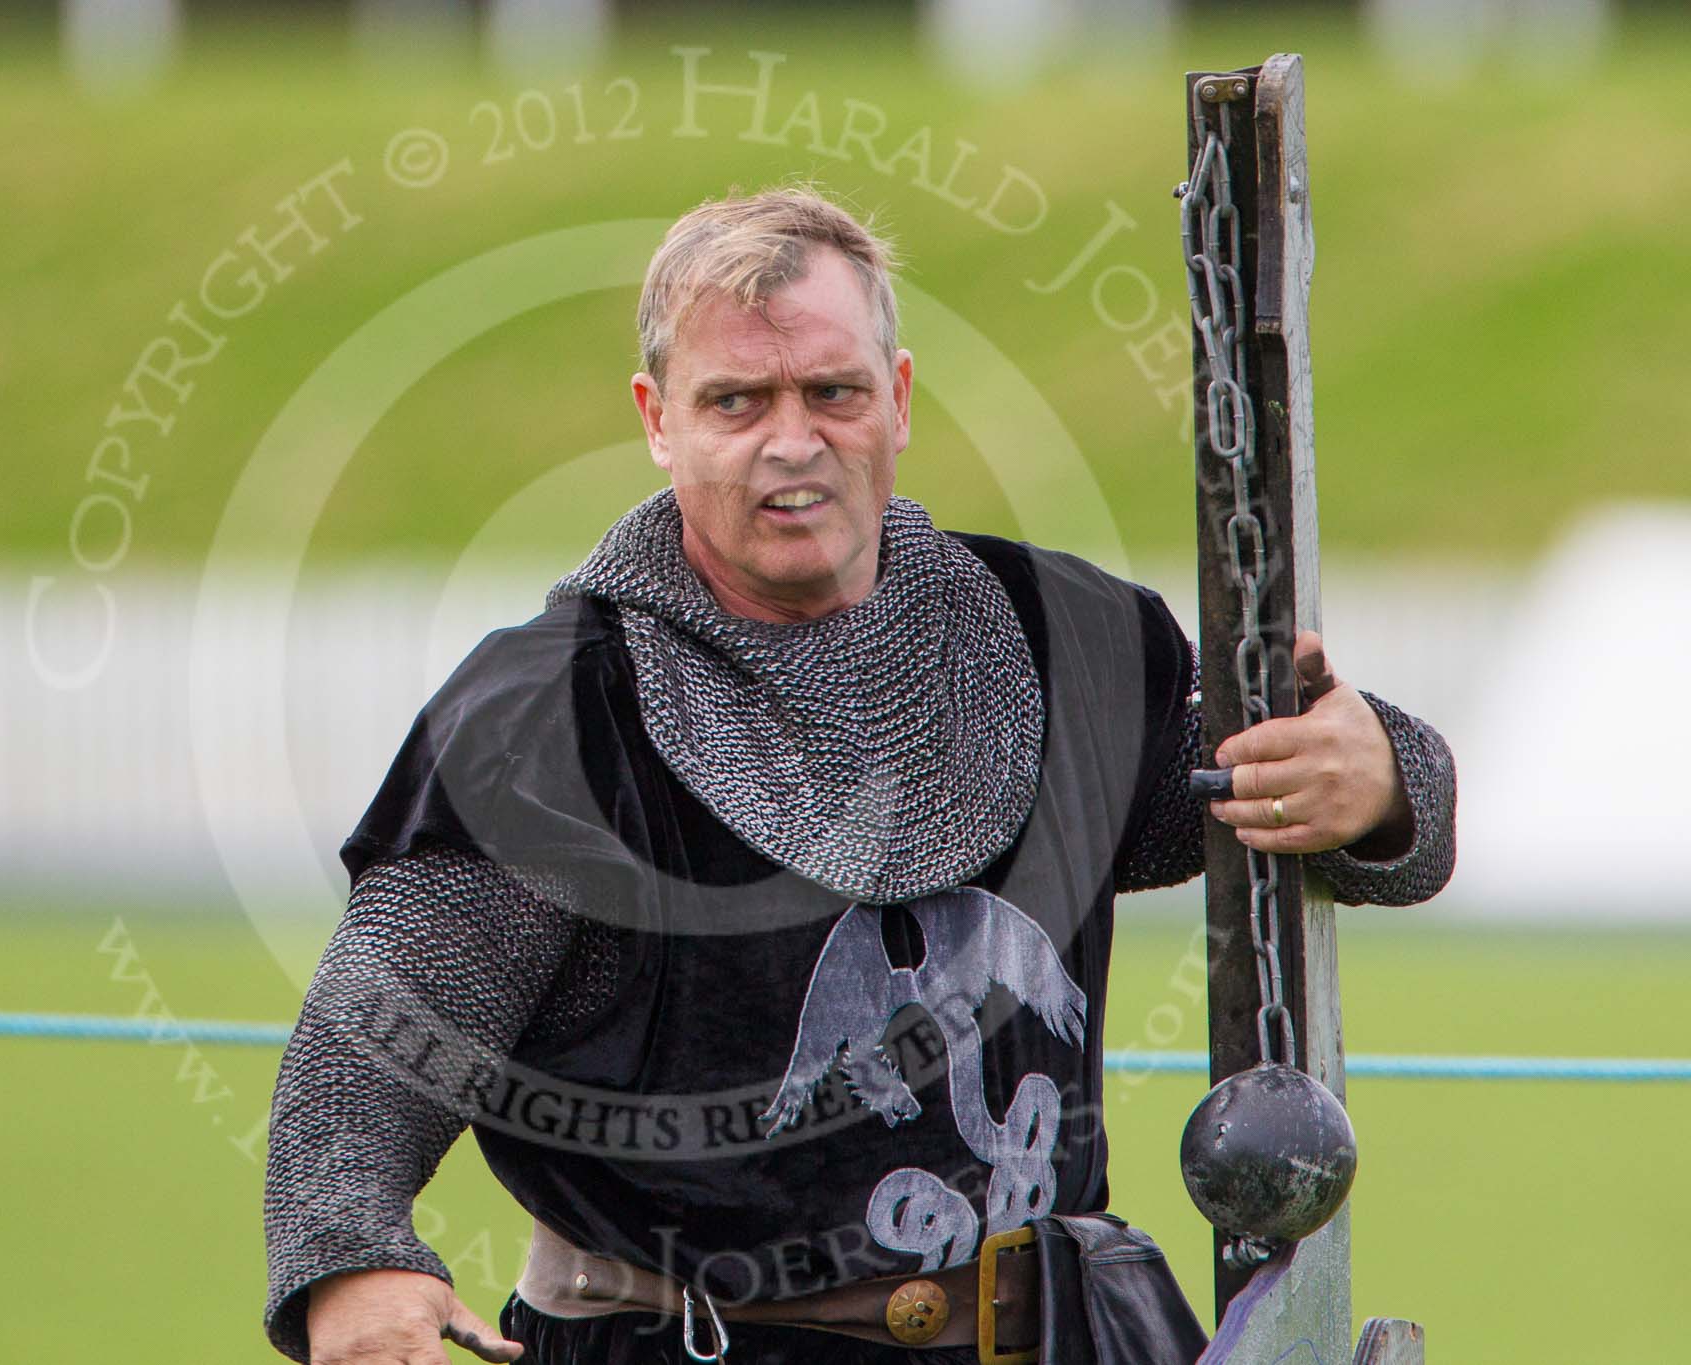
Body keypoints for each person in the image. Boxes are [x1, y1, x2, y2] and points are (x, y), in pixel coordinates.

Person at [260, 185, 1457, 1365]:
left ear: (893, 397)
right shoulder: (549, 721)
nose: (792, 440)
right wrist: (353, 1264)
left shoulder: (1062, 643)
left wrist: (1375, 780)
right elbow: (381, 1033)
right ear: (656, 419)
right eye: (735, 401)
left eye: (830, 391)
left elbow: (1315, 798)